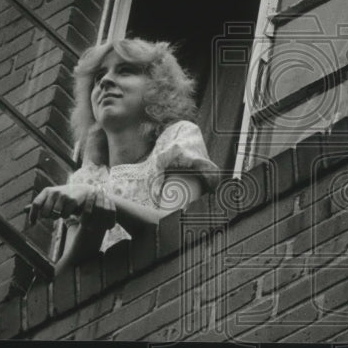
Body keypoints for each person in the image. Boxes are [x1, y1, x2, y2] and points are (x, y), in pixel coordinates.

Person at [28, 37, 219, 273]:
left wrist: (96, 199)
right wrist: (92, 223)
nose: (106, 81)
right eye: (98, 78)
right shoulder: (87, 178)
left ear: (157, 87)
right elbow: (67, 279)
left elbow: (176, 229)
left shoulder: (177, 140)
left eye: (125, 71)